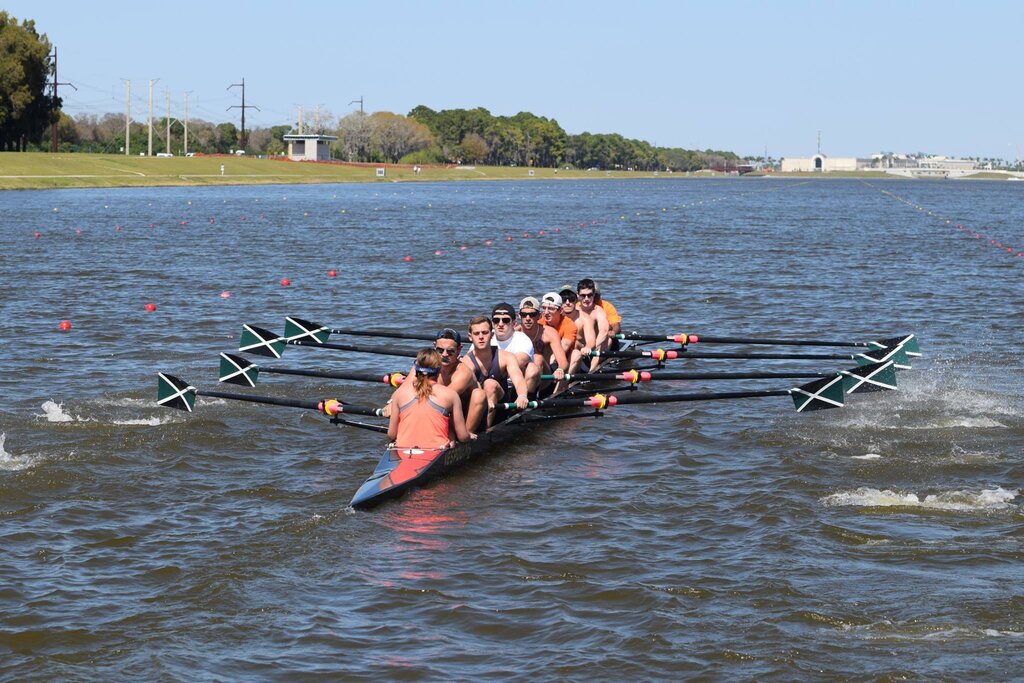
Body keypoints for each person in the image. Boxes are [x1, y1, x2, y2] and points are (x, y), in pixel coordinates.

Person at [387, 348, 474, 449]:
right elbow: (463, 437)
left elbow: (391, 435)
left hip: (402, 448)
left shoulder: (399, 394)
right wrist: (469, 436)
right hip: (437, 449)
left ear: (416, 370)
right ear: (439, 370)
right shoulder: (451, 395)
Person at [461, 314, 529, 430]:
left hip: (500, 407)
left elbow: (518, 379)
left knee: (490, 384)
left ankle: (484, 433)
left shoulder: (506, 357)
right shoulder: (466, 362)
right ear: (470, 337)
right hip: (478, 406)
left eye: (485, 332)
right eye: (476, 334)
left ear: (492, 335)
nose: (481, 337)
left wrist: (522, 395)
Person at [518, 295, 570, 395]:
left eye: (532, 314)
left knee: (537, 358)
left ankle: (532, 397)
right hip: (522, 376)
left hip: (545, 378)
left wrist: (560, 369)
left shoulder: (549, 333)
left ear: (539, 316)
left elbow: (563, 362)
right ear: (519, 315)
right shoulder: (515, 333)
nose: (528, 318)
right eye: (524, 314)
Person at [538, 291, 582, 377]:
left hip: (564, 362)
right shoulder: (539, 323)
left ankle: (560, 388)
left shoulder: (569, 325)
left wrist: (556, 364)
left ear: (561, 310)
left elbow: (564, 345)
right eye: (544, 308)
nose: (546, 312)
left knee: (576, 354)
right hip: (547, 362)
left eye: (551, 308)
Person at [558, 283, 598, 372]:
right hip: (559, 354)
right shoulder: (555, 316)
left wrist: (587, 347)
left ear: (576, 300)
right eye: (564, 299)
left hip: (579, 356)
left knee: (574, 345)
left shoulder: (585, 318)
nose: (567, 303)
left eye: (571, 299)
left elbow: (591, 340)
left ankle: (564, 382)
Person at [489, 302, 534, 372]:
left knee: (532, 369)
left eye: (505, 320)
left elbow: (520, 360)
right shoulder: (484, 336)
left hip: (514, 379)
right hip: (489, 378)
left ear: (514, 323)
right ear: (492, 323)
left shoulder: (522, 339)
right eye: (496, 320)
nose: (500, 324)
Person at [576, 278, 613, 352]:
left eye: (589, 295)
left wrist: (591, 348)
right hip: (579, 345)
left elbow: (604, 330)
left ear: (593, 295)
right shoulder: (573, 309)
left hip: (595, 346)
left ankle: (595, 363)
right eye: (583, 295)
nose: (586, 299)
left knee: (608, 340)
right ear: (577, 295)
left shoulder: (598, 311)